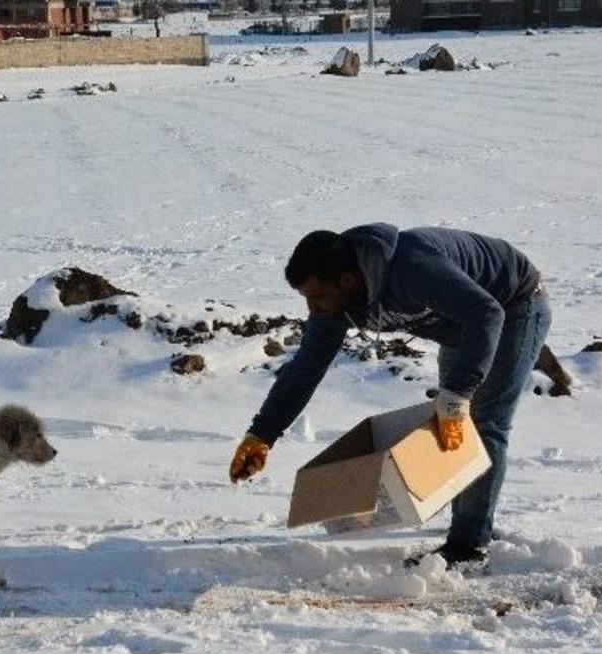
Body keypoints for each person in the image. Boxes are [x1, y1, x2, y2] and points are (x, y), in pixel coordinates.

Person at [228, 223, 551, 566]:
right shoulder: (336, 306)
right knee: (454, 422)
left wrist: (457, 394)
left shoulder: (411, 267)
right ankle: (471, 521)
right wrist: (262, 434)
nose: (312, 306)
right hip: (464, 323)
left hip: (514, 303)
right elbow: (305, 369)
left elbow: (487, 313)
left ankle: (469, 546)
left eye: (316, 295)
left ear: (347, 281)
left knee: (483, 421)